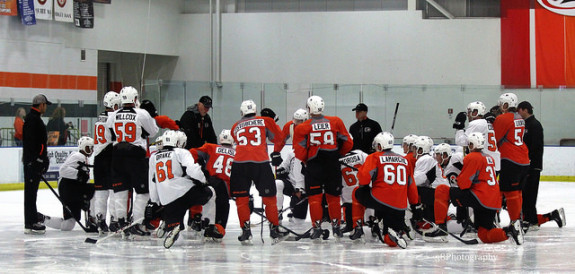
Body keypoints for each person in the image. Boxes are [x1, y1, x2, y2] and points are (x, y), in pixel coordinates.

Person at [423, 132, 524, 245]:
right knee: (484, 234)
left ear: (472, 144)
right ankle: (510, 231)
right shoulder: (489, 157)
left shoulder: (471, 157)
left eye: (469, 144)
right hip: (493, 201)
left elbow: (464, 184)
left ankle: (441, 229)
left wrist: (459, 180)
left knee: (442, 190)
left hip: (479, 197)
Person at [293, 95, 354, 240]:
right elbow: (348, 142)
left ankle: (317, 227)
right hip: (332, 163)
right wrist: (337, 153)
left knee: (315, 198)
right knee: (333, 197)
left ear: (309, 108)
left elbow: (299, 150)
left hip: (314, 164)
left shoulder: (302, 127)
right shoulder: (336, 121)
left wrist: (307, 160)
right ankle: (336, 227)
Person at [230, 99, 288, 244]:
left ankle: (245, 231)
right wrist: (272, 123)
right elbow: (278, 138)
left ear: (242, 112)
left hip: (239, 163)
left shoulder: (235, 126)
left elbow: (237, 139)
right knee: (269, 198)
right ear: (255, 111)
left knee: (242, 200)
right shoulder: (265, 121)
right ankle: (274, 230)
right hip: (260, 162)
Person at [148, 130, 217, 248]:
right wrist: (203, 180)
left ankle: (171, 224)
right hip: (184, 192)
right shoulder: (181, 152)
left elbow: (152, 181)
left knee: (177, 237)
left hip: (167, 199)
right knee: (210, 192)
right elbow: (193, 170)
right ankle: (209, 225)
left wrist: (155, 201)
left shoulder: (153, 157)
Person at [106, 86, 159, 236]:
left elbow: (110, 135)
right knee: (142, 191)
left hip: (117, 154)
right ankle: (137, 222)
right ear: (135, 99)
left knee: (120, 190)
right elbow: (153, 131)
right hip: (136, 154)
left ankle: (121, 221)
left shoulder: (112, 115)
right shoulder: (141, 113)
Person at [352, 132, 419, 248]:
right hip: (399, 205)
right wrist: (414, 204)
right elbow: (411, 185)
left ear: (379, 145)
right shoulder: (404, 160)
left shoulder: (374, 157)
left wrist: (363, 176)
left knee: (357, 192)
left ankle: (357, 226)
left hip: (380, 200)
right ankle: (394, 232)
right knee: (390, 241)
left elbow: (363, 180)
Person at [517, 101, 565, 230]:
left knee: (529, 194)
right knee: (526, 194)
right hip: (527, 164)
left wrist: (529, 161)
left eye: (519, 110)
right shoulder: (526, 124)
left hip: (532, 165)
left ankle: (529, 220)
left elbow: (535, 146)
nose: (518, 113)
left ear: (525, 110)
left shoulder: (534, 125)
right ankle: (541, 218)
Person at [493, 93, 530, 237]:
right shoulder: (519, 117)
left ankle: (515, 223)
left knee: (510, 193)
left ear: (506, 104)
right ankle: (517, 220)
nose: (500, 107)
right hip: (523, 159)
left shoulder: (503, 118)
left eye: (502, 104)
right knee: (517, 192)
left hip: (510, 159)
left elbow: (494, 138)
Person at [40, 137, 96, 231]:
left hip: (70, 190)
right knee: (96, 190)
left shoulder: (84, 158)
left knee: (68, 224)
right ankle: (92, 218)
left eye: (92, 148)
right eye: (88, 148)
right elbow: (62, 170)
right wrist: (79, 175)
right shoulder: (79, 156)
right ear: (82, 147)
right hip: (69, 189)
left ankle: (41, 218)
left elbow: (83, 179)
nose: (91, 150)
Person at [189, 129, 235, 238]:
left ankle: (196, 218)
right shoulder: (237, 152)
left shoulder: (211, 147)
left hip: (210, 181)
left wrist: (199, 163)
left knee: (200, 192)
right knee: (222, 204)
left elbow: (192, 153)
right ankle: (218, 227)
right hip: (226, 186)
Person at [22, 94, 52, 234]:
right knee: (31, 193)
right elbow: (35, 143)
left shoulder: (32, 119)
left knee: (31, 193)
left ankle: (31, 220)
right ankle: (31, 222)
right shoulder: (34, 121)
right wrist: (39, 159)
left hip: (31, 161)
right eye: (45, 105)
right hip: (32, 162)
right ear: (41, 105)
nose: (46, 107)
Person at [92, 91, 121, 234]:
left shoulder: (99, 118)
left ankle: (100, 219)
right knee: (114, 190)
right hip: (109, 157)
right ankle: (115, 220)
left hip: (98, 158)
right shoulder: (113, 117)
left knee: (100, 192)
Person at [411, 136, 449, 233]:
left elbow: (417, 181)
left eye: (415, 148)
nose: (413, 151)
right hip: (438, 192)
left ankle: (416, 218)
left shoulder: (425, 159)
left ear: (420, 149)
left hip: (439, 193)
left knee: (412, 191)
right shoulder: (427, 159)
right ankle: (423, 218)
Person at [453, 101, 500, 173]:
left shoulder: (476, 123)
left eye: (469, 112)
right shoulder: (486, 122)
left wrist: (459, 127)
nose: (468, 115)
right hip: (493, 160)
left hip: (486, 163)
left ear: (475, 112)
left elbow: (461, 141)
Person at [275, 148, 307, 225]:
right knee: (277, 183)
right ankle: (278, 213)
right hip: (291, 183)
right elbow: (284, 166)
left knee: (298, 221)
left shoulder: (312, 152)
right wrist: (280, 170)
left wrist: (300, 188)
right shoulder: (291, 153)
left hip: (306, 187)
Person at [339, 149, 368, 234]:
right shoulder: (360, 153)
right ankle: (371, 224)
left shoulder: (338, 159)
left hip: (347, 191)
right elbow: (371, 164)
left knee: (348, 207)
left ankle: (350, 225)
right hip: (361, 188)